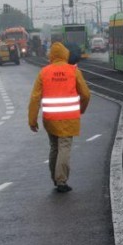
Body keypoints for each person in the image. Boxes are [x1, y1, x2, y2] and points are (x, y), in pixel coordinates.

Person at [28, 42, 91, 193]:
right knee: (64, 148)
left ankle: (55, 178)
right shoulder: (73, 71)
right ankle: (61, 181)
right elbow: (86, 94)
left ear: (51, 55)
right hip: (69, 118)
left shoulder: (44, 72)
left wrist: (32, 120)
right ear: (65, 54)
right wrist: (81, 109)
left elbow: (35, 98)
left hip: (50, 119)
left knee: (54, 147)